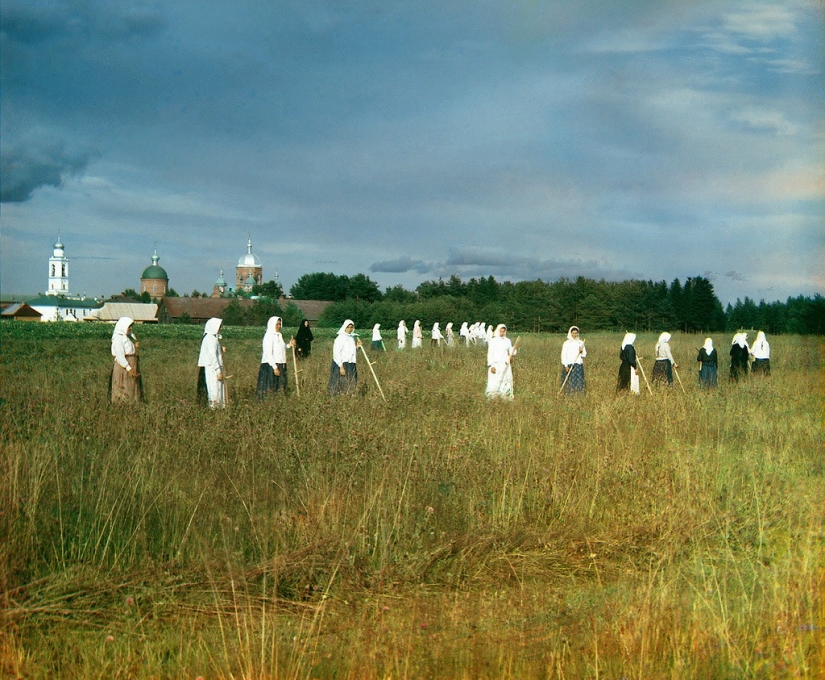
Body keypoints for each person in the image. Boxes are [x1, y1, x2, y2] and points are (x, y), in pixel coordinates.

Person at [256, 316, 295, 399]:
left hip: (280, 364)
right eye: (277, 324)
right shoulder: (268, 336)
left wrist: (289, 345)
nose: (279, 326)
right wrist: (275, 367)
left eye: (280, 324)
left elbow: (281, 347)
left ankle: (278, 402)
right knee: (270, 386)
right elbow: (268, 353)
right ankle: (267, 403)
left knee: (280, 386)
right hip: (271, 365)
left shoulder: (279, 335)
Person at [109, 316, 144, 403]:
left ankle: (132, 404)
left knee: (131, 385)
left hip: (130, 363)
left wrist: (136, 346)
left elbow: (130, 351)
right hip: (124, 366)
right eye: (129, 327)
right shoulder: (118, 338)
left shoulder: (126, 337)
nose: (130, 329)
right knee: (123, 384)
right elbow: (120, 356)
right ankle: (122, 404)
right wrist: (129, 368)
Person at [198, 317, 226, 408]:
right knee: (213, 390)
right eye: (219, 327)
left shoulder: (211, 338)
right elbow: (212, 356)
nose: (220, 329)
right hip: (211, 369)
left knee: (214, 390)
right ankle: (214, 408)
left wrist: (220, 350)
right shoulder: (210, 339)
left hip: (211, 367)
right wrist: (218, 371)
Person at [328, 319, 361, 395]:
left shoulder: (351, 338)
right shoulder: (340, 338)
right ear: (345, 327)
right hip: (341, 364)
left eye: (351, 327)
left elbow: (351, 352)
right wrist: (341, 366)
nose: (350, 329)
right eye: (348, 327)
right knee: (339, 383)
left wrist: (357, 347)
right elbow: (336, 353)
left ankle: (348, 397)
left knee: (350, 382)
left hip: (351, 364)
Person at [485, 324, 517, 400]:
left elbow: (510, 351)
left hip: (505, 364)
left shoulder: (507, 341)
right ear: (498, 331)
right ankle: (492, 397)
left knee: (505, 379)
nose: (502, 333)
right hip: (495, 364)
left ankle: (505, 395)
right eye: (501, 331)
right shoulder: (493, 340)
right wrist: (491, 365)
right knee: (494, 380)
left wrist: (513, 352)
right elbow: (490, 353)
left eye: (503, 331)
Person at [560, 326, 586, 395]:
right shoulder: (566, 343)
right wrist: (565, 365)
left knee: (578, 381)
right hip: (569, 364)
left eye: (576, 333)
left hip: (578, 365)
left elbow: (584, 355)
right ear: (570, 333)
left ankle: (579, 394)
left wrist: (581, 351)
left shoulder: (580, 343)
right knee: (569, 380)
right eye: (573, 333)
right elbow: (563, 355)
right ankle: (568, 394)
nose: (575, 335)